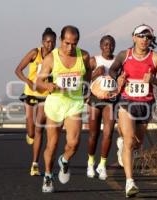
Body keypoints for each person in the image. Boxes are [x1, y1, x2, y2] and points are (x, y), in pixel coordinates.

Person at [109, 24, 157, 197]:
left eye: (148, 37)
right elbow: (113, 69)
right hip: (126, 101)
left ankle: (123, 146)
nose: (144, 40)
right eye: (141, 36)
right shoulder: (124, 55)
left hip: (146, 103)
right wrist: (117, 77)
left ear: (151, 40)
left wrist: (154, 80)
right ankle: (130, 182)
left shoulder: (156, 58)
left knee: (137, 143)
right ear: (133, 37)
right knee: (129, 140)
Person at [36, 25, 91, 193]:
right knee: (52, 144)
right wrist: (47, 85)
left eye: (74, 44)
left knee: (74, 143)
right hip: (55, 105)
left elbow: (88, 71)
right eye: (67, 43)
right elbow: (37, 83)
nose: (70, 47)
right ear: (61, 40)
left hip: (74, 103)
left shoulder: (84, 56)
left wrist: (86, 89)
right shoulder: (51, 58)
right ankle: (47, 176)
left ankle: (65, 160)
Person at [15, 27, 56, 176]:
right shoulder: (35, 53)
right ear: (42, 42)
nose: (50, 45)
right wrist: (28, 81)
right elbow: (18, 70)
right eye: (47, 42)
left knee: (39, 128)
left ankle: (35, 164)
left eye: (52, 42)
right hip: (31, 93)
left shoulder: (56, 56)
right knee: (31, 130)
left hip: (45, 95)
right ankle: (30, 134)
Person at [86, 35, 117, 180]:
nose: (108, 47)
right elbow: (83, 79)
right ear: (100, 46)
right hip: (94, 99)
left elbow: (123, 77)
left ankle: (102, 164)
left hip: (110, 100)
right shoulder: (94, 60)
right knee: (94, 134)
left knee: (109, 133)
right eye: (105, 45)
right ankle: (90, 163)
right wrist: (94, 74)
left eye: (111, 45)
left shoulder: (118, 61)